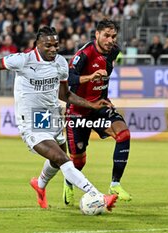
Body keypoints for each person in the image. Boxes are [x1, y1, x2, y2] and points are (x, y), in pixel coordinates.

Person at [0, 26, 118, 210]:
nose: (53, 49)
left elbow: (66, 95)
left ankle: (40, 184)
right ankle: (96, 195)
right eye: (48, 46)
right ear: (37, 45)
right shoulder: (23, 60)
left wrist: (92, 105)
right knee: (63, 159)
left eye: (56, 45)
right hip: (30, 121)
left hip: (50, 116)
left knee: (56, 160)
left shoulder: (61, 63)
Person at [63, 19, 132, 206]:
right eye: (107, 36)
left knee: (123, 133)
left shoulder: (114, 52)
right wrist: (90, 77)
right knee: (78, 161)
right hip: (77, 111)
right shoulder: (84, 54)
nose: (111, 40)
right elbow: (69, 79)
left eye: (114, 36)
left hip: (100, 107)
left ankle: (115, 184)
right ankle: (68, 182)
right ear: (97, 35)